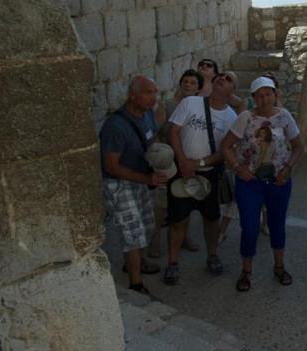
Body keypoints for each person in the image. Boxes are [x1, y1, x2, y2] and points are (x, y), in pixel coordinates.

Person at [221, 76, 302, 292]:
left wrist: (288, 169)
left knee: (277, 226)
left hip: (278, 181)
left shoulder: (285, 116)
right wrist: (238, 168)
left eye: (269, 93)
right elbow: (227, 146)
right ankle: (246, 271)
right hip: (250, 182)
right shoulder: (245, 118)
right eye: (260, 95)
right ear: (253, 98)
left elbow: (297, 147)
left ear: (275, 95)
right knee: (249, 228)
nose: (265, 99)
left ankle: (279, 266)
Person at [162, 72, 239, 285]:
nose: (222, 77)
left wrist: (197, 164)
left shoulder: (232, 117)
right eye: (221, 75)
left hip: (210, 174)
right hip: (181, 171)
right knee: (178, 220)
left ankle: (212, 255)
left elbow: (226, 150)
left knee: (211, 220)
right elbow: (173, 132)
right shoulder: (191, 103)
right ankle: (172, 262)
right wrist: (183, 161)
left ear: (232, 91)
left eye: (229, 79)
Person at [99, 76, 167, 295]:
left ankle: (134, 263)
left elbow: (152, 136)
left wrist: (159, 159)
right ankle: (135, 283)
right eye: (148, 92)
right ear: (132, 95)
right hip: (121, 184)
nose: (154, 98)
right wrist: (146, 179)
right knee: (133, 234)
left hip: (141, 179)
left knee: (147, 225)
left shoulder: (146, 115)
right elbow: (111, 166)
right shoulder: (115, 126)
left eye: (155, 92)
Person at [150, 69, 204, 257]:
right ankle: (155, 239)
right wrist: (160, 155)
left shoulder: (200, 107)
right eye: (185, 81)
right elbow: (155, 130)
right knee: (161, 204)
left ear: (199, 89)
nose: (188, 85)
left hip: (187, 161)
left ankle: (183, 237)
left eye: (193, 83)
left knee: (185, 201)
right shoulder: (168, 105)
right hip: (168, 161)